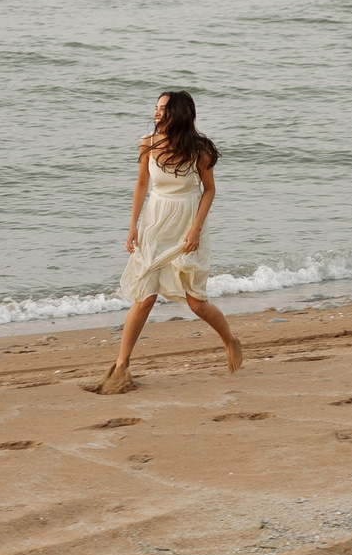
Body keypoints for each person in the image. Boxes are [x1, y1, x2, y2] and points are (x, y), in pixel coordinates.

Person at [88, 89, 244, 395]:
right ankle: (121, 365)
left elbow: (209, 190)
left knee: (196, 303)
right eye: (157, 107)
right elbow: (142, 184)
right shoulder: (148, 143)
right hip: (155, 222)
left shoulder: (200, 150)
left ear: (179, 114)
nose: (157, 112)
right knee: (145, 295)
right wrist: (132, 225)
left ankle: (229, 340)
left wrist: (196, 228)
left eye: (163, 108)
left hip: (188, 222)